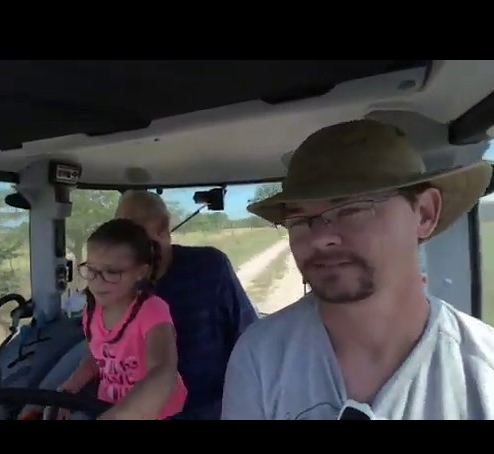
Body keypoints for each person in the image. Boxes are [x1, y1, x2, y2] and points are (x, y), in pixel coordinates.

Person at [221, 118, 494, 420]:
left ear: (424, 214)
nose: (321, 237)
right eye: (299, 220)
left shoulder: (483, 370)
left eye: (352, 210)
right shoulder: (261, 355)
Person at [115, 190, 259, 419]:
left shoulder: (210, 268)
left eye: (137, 237)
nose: (131, 251)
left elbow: (248, 336)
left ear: (162, 228)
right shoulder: (118, 280)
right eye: (122, 238)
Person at [46, 218, 187, 420]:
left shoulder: (152, 310)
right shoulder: (92, 311)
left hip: (159, 413)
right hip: (106, 407)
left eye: (111, 272)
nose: (97, 281)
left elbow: (163, 370)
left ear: (141, 272)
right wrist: (68, 390)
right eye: (92, 270)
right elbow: (98, 358)